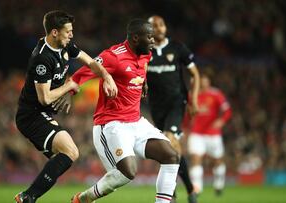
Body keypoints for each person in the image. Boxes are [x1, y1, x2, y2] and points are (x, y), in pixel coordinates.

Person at [70, 19, 180, 203]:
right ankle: (84, 198)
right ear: (136, 38)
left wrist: (143, 81)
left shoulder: (145, 54)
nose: (153, 40)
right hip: (112, 124)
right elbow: (86, 69)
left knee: (171, 155)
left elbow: (141, 67)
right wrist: (70, 89)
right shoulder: (114, 56)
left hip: (136, 122)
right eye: (149, 36)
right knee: (128, 173)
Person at [14, 10, 117, 203]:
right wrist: (69, 86)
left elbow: (91, 63)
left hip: (42, 114)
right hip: (31, 116)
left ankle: (28, 197)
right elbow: (44, 98)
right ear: (54, 32)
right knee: (70, 151)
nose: (71, 35)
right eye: (67, 31)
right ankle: (28, 196)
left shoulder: (66, 46)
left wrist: (107, 76)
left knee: (66, 155)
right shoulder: (42, 59)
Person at [146, 15, 200, 203]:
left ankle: (172, 192)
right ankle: (190, 189)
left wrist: (193, 99)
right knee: (168, 149)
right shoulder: (145, 51)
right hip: (156, 107)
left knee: (169, 140)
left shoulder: (177, 48)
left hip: (177, 103)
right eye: (154, 26)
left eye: (161, 24)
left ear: (165, 27)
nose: (159, 28)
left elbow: (194, 73)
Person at [183, 72, 232, 196]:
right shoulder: (191, 96)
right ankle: (197, 188)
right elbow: (187, 115)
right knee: (195, 159)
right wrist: (185, 128)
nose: (203, 84)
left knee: (218, 160)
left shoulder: (216, 94)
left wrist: (221, 121)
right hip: (196, 133)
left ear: (209, 82)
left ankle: (219, 184)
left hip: (213, 133)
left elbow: (227, 111)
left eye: (205, 81)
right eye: (201, 81)